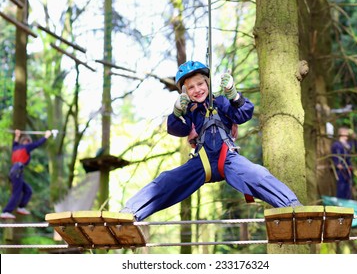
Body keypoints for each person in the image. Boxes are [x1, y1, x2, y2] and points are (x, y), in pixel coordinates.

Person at [120, 60, 301, 221]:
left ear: (208, 83)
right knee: (166, 180)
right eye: (191, 87)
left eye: (200, 84)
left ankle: (293, 206)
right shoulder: (189, 111)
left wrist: (233, 95)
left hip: (228, 158)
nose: (197, 90)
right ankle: (130, 212)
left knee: (258, 174)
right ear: (184, 92)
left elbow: (244, 113)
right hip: (202, 162)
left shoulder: (221, 102)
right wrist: (177, 112)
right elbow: (177, 129)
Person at [1, 129, 52, 219]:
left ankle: (21, 207)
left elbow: (15, 143)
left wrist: (17, 135)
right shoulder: (26, 147)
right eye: (28, 142)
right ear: (25, 142)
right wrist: (46, 136)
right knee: (17, 193)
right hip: (17, 172)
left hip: (15, 172)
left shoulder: (16, 148)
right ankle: (6, 211)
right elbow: (37, 144)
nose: (29, 144)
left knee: (28, 190)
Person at [331, 126, 357, 199]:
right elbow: (334, 156)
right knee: (341, 187)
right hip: (341, 170)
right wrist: (337, 164)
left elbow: (355, 150)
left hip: (348, 169)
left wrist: (355, 139)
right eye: (345, 132)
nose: (347, 134)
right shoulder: (336, 144)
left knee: (348, 187)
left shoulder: (349, 144)